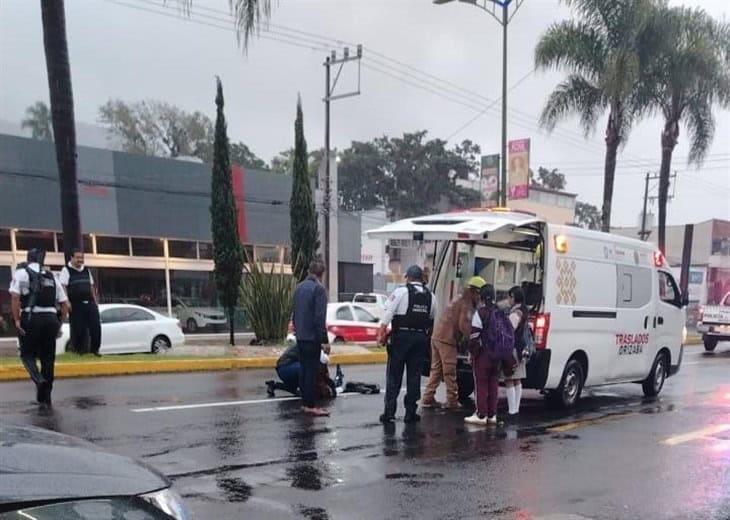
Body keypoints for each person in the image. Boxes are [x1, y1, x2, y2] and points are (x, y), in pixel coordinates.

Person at [378, 265, 437, 424]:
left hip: (401, 337)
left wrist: (381, 334)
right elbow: (431, 321)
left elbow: (388, 314)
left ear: (409, 277)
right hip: (420, 339)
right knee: (414, 376)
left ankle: (389, 412)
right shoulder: (431, 296)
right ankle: (410, 413)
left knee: (394, 375)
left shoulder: (400, 292)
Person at [9, 248, 69, 406]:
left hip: (31, 317)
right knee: (48, 359)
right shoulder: (52, 277)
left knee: (26, 354)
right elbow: (64, 305)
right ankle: (45, 397)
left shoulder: (22, 273)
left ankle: (39, 380)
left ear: (28, 259)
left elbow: (15, 297)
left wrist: (16, 320)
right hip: (51, 319)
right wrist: (59, 324)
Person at [422, 276, 485, 410]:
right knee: (449, 370)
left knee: (436, 370)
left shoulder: (458, 298)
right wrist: (472, 339)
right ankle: (452, 400)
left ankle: (427, 397)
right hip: (447, 339)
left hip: (437, 336)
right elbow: (464, 324)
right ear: (475, 291)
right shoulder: (466, 303)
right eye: (480, 294)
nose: (480, 298)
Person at [292, 259, 330, 416]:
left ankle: (304, 402)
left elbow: (295, 314)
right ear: (322, 274)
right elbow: (319, 317)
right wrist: (324, 340)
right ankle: (310, 405)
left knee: (304, 370)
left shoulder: (299, 288)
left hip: (300, 336)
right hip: (312, 337)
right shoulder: (319, 290)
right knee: (311, 371)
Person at [465, 284, 500, 426]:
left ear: (482, 297)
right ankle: (492, 415)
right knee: (494, 384)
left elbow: (474, 336)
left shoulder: (480, 313)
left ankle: (480, 415)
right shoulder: (500, 313)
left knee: (481, 383)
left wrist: (472, 353)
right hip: (497, 354)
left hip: (483, 355)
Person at [59, 249, 101, 356]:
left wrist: (95, 301)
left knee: (95, 327)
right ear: (71, 258)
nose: (80, 260)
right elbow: (63, 286)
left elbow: (91, 286)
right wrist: (67, 301)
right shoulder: (66, 270)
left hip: (90, 302)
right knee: (78, 328)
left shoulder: (87, 270)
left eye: (81, 258)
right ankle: (79, 351)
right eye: (77, 258)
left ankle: (94, 350)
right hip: (76, 304)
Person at [266, 344, 336, 399]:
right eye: (326, 353)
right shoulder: (314, 348)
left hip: (284, 370)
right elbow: (320, 372)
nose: (327, 355)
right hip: (287, 368)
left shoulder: (310, 345)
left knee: (296, 390)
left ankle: (274, 385)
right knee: (308, 371)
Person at [503, 286, 528, 418]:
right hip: (521, 349)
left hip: (512, 349)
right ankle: (515, 409)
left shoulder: (514, 314)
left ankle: (512, 411)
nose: (508, 299)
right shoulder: (524, 310)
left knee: (509, 379)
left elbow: (508, 331)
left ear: (514, 297)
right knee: (517, 380)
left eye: (509, 297)